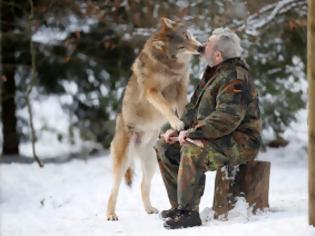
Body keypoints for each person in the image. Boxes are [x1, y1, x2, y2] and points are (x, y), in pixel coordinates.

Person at [154, 28, 262, 229]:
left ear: (218, 54)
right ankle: (179, 207)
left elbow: (226, 118)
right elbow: (192, 108)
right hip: (215, 135)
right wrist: (178, 130)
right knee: (164, 147)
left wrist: (194, 133)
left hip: (241, 141)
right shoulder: (212, 72)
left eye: (208, 45)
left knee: (193, 149)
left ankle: (189, 213)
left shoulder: (235, 78)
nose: (202, 47)